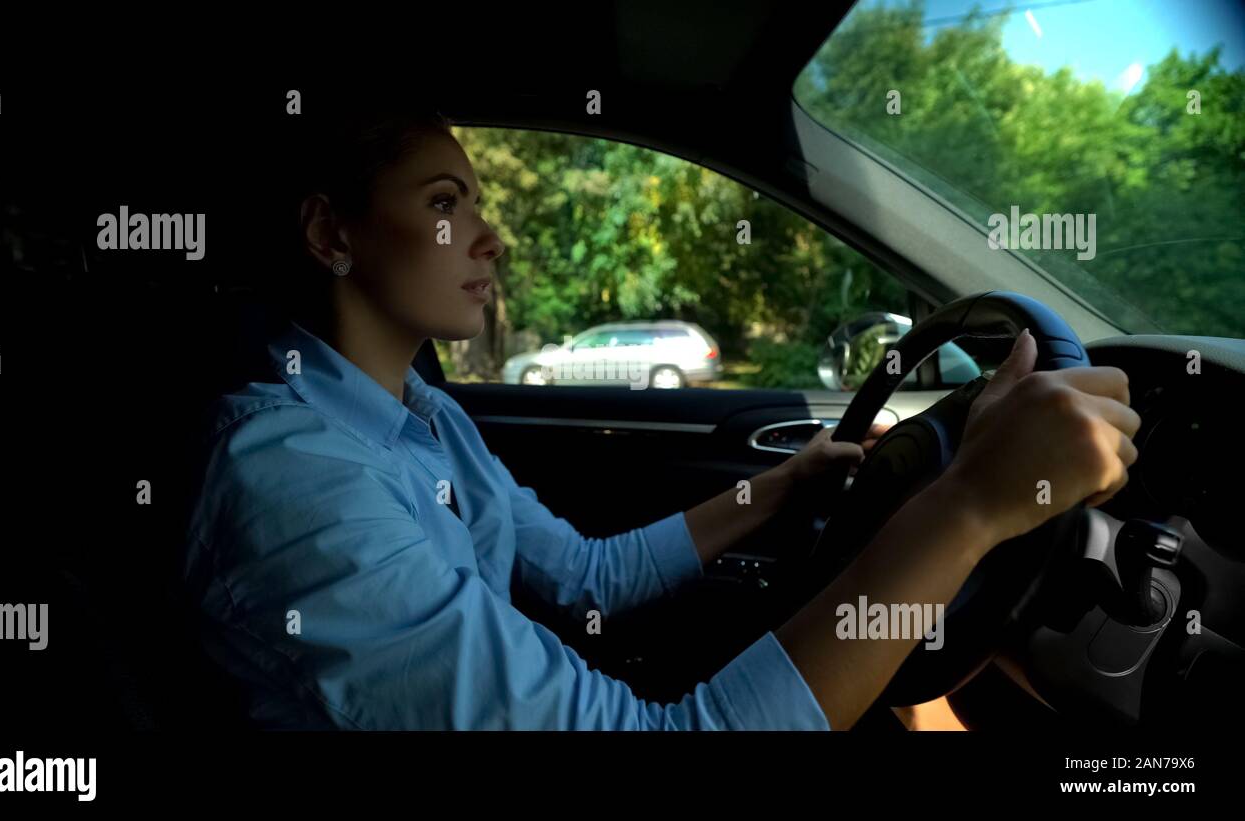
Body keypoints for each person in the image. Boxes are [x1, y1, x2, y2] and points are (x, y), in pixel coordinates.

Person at [181, 102, 1139, 730]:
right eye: (444, 202)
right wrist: (967, 507)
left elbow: (583, 572)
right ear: (328, 233)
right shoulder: (297, 479)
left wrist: (788, 483)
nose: (490, 235)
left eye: (477, 199)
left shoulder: (422, 416)